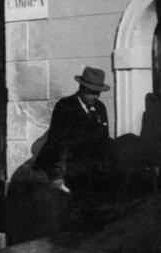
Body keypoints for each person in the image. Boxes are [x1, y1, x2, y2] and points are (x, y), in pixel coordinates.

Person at [33, 66, 116, 203]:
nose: (95, 97)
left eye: (98, 93)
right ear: (81, 88)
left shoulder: (100, 108)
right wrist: (56, 175)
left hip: (95, 173)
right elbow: (56, 142)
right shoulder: (65, 106)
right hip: (70, 172)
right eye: (91, 92)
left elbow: (103, 141)